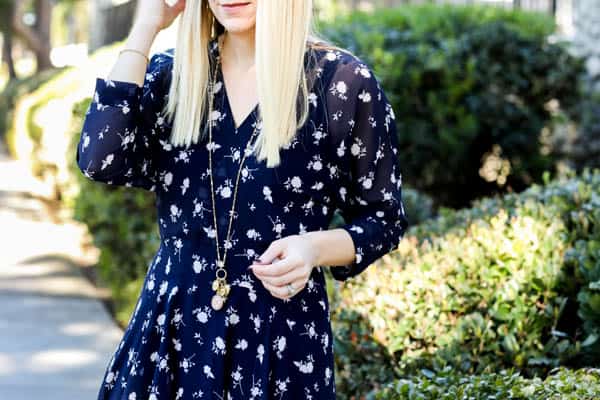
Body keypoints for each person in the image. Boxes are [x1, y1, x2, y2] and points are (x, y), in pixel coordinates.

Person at [76, 0, 409, 398]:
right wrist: (147, 26)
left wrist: (313, 248)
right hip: (171, 339)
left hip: (281, 344)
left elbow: (384, 219)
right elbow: (101, 157)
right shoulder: (175, 77)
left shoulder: (341, 84)